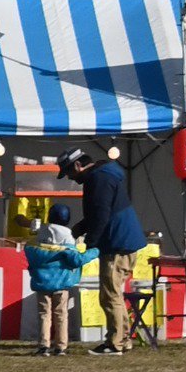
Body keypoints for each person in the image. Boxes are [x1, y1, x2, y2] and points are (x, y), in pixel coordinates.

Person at [76, 144, 147, 353]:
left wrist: (90, 242)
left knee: (110, 296)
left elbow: (101, 214)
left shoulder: (98, 179)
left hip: (117, 243)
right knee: (114, 294)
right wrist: (81, 227)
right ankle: (122, 340)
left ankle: (115, 342)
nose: (71, 178)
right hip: (124, 241)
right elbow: (100, 213)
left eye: (70, 172)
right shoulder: (106, 174)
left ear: (78, 165)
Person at [21, 206, 87, 358]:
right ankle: (61, 347)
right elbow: (73, 259)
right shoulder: (69, 236)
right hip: (61, 282)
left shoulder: (42, 232)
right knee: (61, 314)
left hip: (43, 281)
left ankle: (44, 346)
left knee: (44, 314)